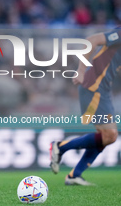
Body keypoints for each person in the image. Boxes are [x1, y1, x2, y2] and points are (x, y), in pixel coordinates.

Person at [50, 29, 119, 185]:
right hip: (94, 85)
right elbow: (91, 40)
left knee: (106, 136)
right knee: (110, 135)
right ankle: (60, 147)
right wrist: (81, 71)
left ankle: (74, 175)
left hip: (103, 88)